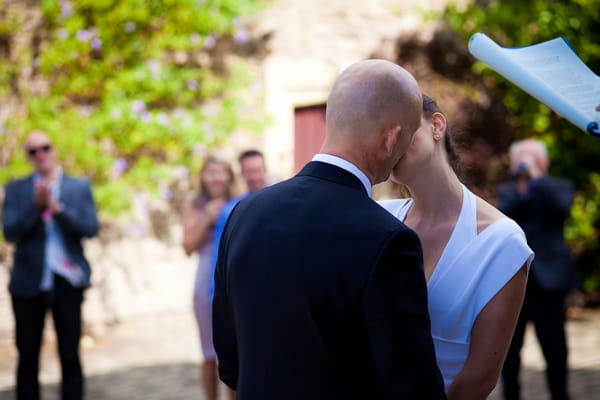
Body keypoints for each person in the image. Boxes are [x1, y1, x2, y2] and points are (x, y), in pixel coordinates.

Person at [212, 60, 447, 399]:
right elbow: (410, 386)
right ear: (392, 138)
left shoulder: (245, 212)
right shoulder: (387, 239)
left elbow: (230, 363)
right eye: (407, 137)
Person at [379, 95, 533, 399]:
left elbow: (478, 380)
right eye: (380, 133)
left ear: (436, 125)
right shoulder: (381, 217)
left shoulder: (500, 241)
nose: (390, 142)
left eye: (400, 127)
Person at [2, 130, 99, 400]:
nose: (40, 155)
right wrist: (36, 207)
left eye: (44, 148)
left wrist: (57, 209)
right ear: (28, 157)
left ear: (54, 149)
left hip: (67, 279)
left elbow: (90, 228)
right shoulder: (16, 189)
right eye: (33, 151)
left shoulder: (77, 187)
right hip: (28, 282)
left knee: (70, 354)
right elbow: (10, 233)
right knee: (28, 355)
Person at [498, 138, 575, 400]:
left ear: (544, 162)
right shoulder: (507, 192)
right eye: (520, 158)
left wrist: (536, 179)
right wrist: (522, 186)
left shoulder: (559, 187)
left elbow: (560, 207)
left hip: (548, 282)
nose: (523, 163)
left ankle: (560, 394)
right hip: (513, 281)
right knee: (509, 351)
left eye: (530, 158)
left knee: (555, 349)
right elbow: (503, 215)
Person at [181, 155, 235, 400]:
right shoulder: (193, 205)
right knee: (208, 352)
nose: (216, 177)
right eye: (211, 172)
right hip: (205, 281)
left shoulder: (240, 201)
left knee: (235, 350)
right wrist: (206, 219)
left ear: (230, 175)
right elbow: (187, 246)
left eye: (221, 171)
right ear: (202, 176)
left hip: (233, 276)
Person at [207, 149, 269, 299]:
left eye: (257, 171)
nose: (254, 177)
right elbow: (219, 254)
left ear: (265, 170)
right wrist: (215, 292)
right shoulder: (230, 210)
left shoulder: (282, 204)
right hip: (243, 289)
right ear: (242, 174)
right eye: (249, 172)